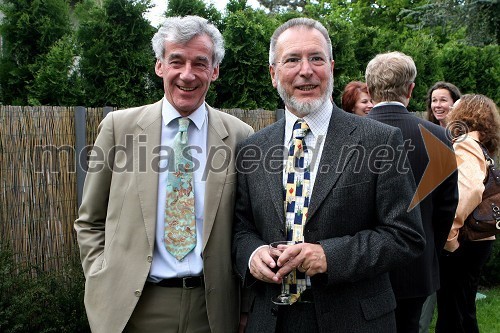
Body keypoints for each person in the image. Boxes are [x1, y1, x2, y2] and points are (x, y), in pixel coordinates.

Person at [232, 18, 425, 333]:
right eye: (292, 59)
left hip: (353, 320)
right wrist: (252, 254)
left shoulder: (380, 141)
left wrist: (328, 256)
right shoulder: (253, 148)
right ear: (273, 74)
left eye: (316, 58)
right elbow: (241, 229)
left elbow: (405, 236)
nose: (306, 70)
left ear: (331, 67)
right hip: (271, 321)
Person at [74, 15, 254, 333]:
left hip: (211, 312)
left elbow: (248, 226)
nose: (187, 75)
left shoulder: (240, 136)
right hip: (132, 309)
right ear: (160, 66)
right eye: (176, 61)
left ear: (214, 71)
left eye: (200, 63)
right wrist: (99, 273)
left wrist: (245, 306)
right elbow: (90, 219)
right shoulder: (120, 129)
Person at [365, 51, 459, 333]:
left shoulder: (347, 135)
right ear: (411, 89)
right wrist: (429, 245)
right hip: (417, 265)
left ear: (369, 90)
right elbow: (446, 208)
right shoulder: (440, 137)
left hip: (363, 268)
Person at [436, 94, 500, 333]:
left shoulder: (465, 142)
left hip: (465, 240)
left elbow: (469, 189)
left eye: (455, 106)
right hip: (478, 238)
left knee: (453, 314)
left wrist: (450, 238)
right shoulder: (479, 144)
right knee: (462, 308)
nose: (450, 109)